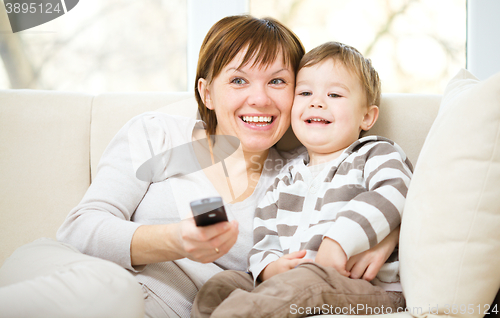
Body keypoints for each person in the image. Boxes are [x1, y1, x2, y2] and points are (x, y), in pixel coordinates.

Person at [0, 17, 400, 318]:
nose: (259, 99)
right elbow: (79, 229)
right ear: (206, 93)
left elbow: (380, 195)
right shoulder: (159, 135)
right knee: (112, 291)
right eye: (239, 81)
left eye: (278, 82)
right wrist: (176, 240)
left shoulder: (297, 181)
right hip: (70, 275)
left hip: (160, 312)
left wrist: (388, 233)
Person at [191, 41, 413, 318]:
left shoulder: (374, 153)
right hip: (294, 281)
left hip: (368, 289)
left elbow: (396, 192)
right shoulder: (284, 176)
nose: (316, 101)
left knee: (306, 283)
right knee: (222, 285)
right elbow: (265, 235)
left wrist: (339, 241)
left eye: (334, 94)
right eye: (305, 92)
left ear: (367, 116)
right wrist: (270, 267)